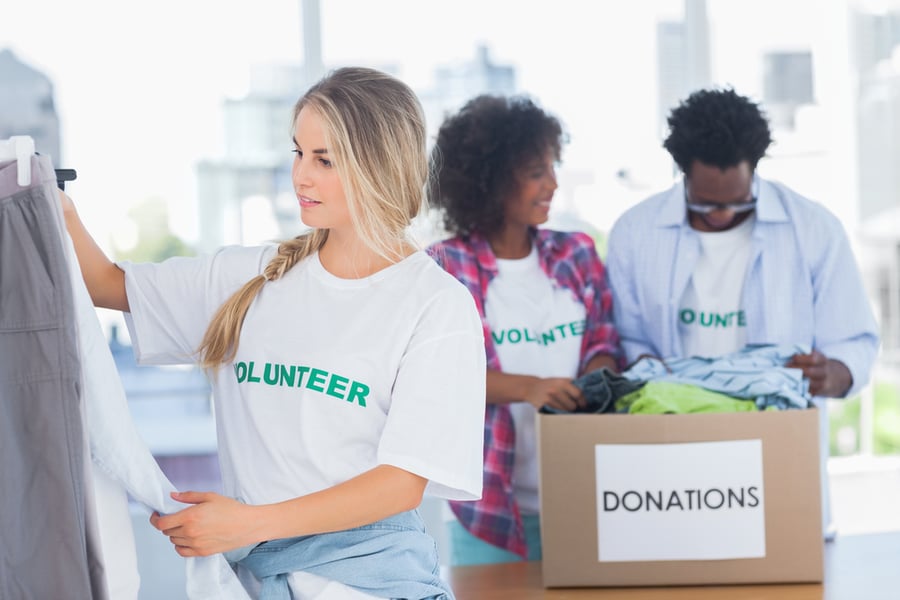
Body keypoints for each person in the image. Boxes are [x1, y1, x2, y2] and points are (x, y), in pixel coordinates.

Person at [61, 67, 486, 599]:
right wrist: (50, 202)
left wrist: (251, 524)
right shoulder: (250, 278)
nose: (300, 176)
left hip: (375, 584)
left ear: (379, 164)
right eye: (298, 153)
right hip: (258, 582)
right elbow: (102, 283)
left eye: (324, 160)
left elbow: (401, 483)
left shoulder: (435, 305)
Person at [606, 87, 880, 538]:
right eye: (706, 203)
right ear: (682, 173)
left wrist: (832, 373)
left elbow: (855, 341)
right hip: (672, 456)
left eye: (737, 201)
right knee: (678, 550)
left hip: (779, 451)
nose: (721, 213)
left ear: (755, 168)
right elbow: (627, 341)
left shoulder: (813, 228)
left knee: (781, 553)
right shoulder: (635, 233)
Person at [427, 94, 623, 565]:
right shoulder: (445, 266)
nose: (553, 184)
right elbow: (439, 377)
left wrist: (594, 379)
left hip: (585, 497)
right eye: (537, 172)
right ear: (491, 181)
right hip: (490, 510)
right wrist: (530, 389)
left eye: (553, 167)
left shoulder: (575, 252)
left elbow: (603, 338)